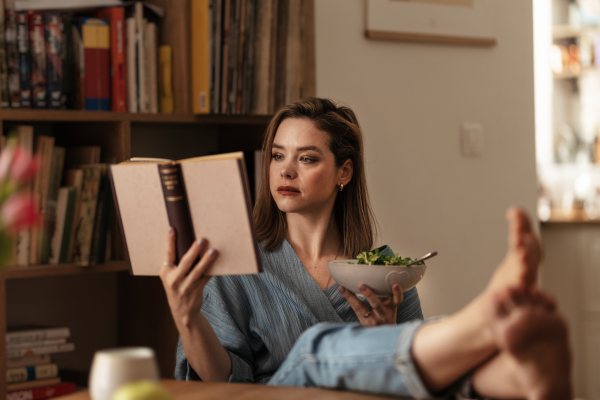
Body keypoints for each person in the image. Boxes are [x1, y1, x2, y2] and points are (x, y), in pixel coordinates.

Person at [161, 98, 571, 399]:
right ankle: (482, 322)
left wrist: (386, 335)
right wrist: (188, 316)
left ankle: (510, 378)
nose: (285, 170)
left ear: (344, 172)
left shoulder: (385, 270)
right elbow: (220, 388)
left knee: (424, 343)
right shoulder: (237, 262)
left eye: (306, 158)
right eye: (277, 156)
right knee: (313, 350)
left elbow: (421, 380)